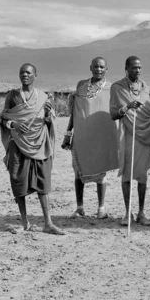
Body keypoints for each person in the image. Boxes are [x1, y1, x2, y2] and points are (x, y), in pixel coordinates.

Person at [0, 63, 65, 235]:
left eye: (28, 72)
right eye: (22, 72)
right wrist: (14, 124)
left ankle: (48, 223)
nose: (24, 75)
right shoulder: (12, 96)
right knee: (18, 180)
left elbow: (49, 122)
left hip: (39, 143)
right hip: (17, 144)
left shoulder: (43, 98)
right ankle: (24, 222)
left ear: (36, 75)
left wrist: (49, 116)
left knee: (43, 182)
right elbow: (3, 119)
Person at [110, 56, 150, 226]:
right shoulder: (118, 87)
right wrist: (127, 107)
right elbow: (113, 114)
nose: (137, 70)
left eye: (140, 68)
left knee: (142, 175)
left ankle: (142, 212)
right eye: (134, 67)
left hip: (144, 137)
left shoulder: (144, 87)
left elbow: (148, 110)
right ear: (126, 68)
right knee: (127, 175)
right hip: (128, 135)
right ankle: (128, 212)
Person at [61, 57, 118, 219]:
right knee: (79, 173)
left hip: (101, 137)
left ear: (107, 69)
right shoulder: (81, 85)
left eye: (101, 67)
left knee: (101, 172)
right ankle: (80, 208)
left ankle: (101, 208)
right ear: (90, 68)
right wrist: (68, 134)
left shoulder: (112, 88)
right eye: (95, 67)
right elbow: (75, 112)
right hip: (81, 137)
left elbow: (116, 112)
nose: (98, 69)